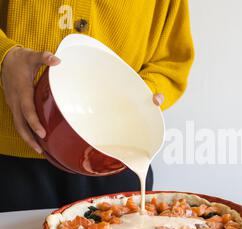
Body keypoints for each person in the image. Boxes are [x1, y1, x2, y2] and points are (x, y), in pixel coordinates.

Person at [0, 0, 194, 212]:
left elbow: (171, 61)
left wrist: (141, 93)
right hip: (11, 154)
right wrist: (6, 56)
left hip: (118, 157)